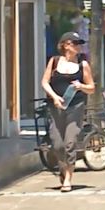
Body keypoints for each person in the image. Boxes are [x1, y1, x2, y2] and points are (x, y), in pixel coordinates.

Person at [41, 32, 96, 192]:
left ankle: (68, 179)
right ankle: (63, 168)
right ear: (65, 45)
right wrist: (55, 97)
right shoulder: (54, 61)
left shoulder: (82, 65)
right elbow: (45, 82)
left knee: (70, 143)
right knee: (57, 145)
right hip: (56, 107)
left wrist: (81, 87)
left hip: (76, 107)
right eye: (75, 43)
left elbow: (92, 88)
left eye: (80, 43)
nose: (78, 46)